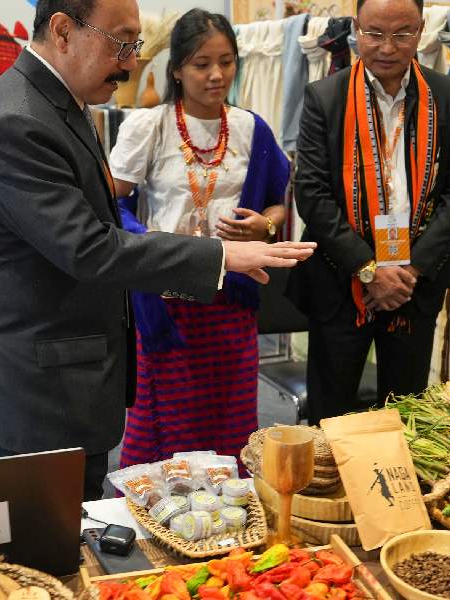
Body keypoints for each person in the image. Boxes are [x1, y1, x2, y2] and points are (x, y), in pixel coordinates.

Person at [0, 0, 314, 500]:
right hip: (39, 394)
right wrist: (219, 255)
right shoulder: (18, 119)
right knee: (46, 549)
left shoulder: (58, 103)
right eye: (121, 42)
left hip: (72, 377)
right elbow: (89, 246)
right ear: (63, 31)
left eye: (135, 45)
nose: (129, 61)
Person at [109, 9, 289, 468]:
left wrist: (264, 227)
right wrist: (144, 241)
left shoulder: (251, 128)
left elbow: (277, 204)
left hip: (231, 297)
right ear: (176, 69)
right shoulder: (149, 127)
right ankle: (151, 522)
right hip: (167, 297)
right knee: (161, 424)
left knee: (231, 421)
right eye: (201, 64)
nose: (216, 75)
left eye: (226, 62)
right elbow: (110, 202)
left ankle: (227, 523)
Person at [287, 0, 450, 422]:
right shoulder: (325, 97)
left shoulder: (446, 95)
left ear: (422, 29)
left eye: (402, 33)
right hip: (342, 280)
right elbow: (312, 194)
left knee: (406, 414)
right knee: (330, 415)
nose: (387, 48)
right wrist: (370, 269)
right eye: (374, 33)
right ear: (356, 28)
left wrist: (411, 270)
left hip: (414, 283)